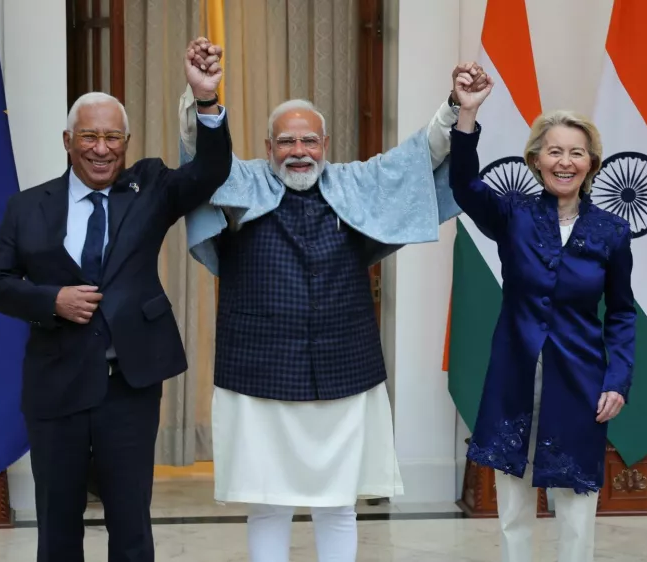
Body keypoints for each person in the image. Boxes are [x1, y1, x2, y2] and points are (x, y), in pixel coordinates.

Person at [180, 48, 488, 561]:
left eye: (308, 140)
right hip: (257, 370)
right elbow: (202, 154)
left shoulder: (355, 182)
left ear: (325, 144)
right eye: (286, 141)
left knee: (339, 503)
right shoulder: (242, 181)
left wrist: (458, 104)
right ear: (267, 146)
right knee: (267, 502)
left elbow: (420, 156)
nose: (298, 151)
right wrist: (206, 98)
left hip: (345, 367)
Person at [0, 38, 232, 562]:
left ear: (127, 141)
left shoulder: (152, 187)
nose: (102, 148)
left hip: (129, 388)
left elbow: (211, 172)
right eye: (89, 136)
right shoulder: (28, 207)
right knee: (58, 524)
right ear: (67, 140)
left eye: (113, 136)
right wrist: (52, 301)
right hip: (56, 386)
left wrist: (206, 101)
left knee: (131, 524)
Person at [448, 72, 636, 562]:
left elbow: (620, 312)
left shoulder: (612, 231)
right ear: (535, 161)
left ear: (591, 163)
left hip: (580, 378)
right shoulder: (513, 215)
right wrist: (466, 113)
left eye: (576, 152)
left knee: (577, 504)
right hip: (514, 373)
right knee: (512, 501)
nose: (565, 162)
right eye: (554, 151)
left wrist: (618, 378)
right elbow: (466, 185)